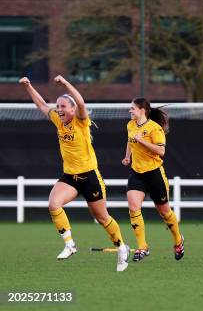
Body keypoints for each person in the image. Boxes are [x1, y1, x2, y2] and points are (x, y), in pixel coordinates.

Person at [19, 75, 130, 272]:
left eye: (63, 106)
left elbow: (80, 101)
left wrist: (65, 84)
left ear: (72, 110)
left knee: (102, 218)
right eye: (58, 106)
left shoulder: (80, 121)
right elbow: (42, 105)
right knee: (54, 204)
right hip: (71, 177)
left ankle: (121, 248)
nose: (59, 110)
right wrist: (28, 86)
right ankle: (70, 244)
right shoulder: (58, 121)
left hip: (90, 177)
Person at [122, 98, 184, 262]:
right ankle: (142, 246)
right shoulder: (130, 125)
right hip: (137, 174)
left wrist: (142, 141)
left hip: (155, 174)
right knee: (133, 206)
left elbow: (161, 151)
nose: (130, 111)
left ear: (142, 110)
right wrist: (127, 156)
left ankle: (178, 240)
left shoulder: (154, 128)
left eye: (132, 108)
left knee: (165, 213)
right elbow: (130, 140)